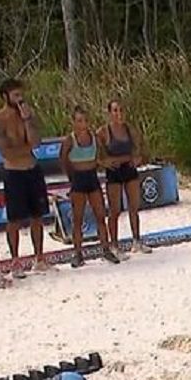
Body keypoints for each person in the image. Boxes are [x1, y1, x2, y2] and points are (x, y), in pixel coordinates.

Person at [0, 78, 51, 276]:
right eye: (15, 95)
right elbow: (7, 152)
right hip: (14, 171)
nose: (20, 99)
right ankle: (15, 260)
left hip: (32, 168)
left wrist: (27, 121)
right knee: (14, 219)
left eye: (21, 94)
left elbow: (37, 142)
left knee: (37, 216)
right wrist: (26, 148)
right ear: (5, 97)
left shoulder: (27, 114)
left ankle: (39, 257)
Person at [59, 107, 119, 267]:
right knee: (78, 219)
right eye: (79, 121)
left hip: (92, 178)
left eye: (85, 120)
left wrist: (101, 163)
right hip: (78, 179)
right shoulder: (69, 140)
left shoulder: (94, 138)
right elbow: (63, 160)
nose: (83, 124)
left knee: (100, 216)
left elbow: (100, 155)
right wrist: (71, 177)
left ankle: (105, 249)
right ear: (73, 122)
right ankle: (78, 253)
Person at [97, 99, 151, 256]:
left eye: (121, 110)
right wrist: (104, 162)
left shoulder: (130, 130)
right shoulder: (103, 132)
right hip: (114, 172)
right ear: (109, 113)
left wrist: (138, 158)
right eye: (115, 110)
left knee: (134, 207)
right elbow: (96, 155)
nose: (119, 114)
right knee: (115, 210)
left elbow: (141, 148)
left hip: (129, 169)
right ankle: (114, 245)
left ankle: (136, 241)